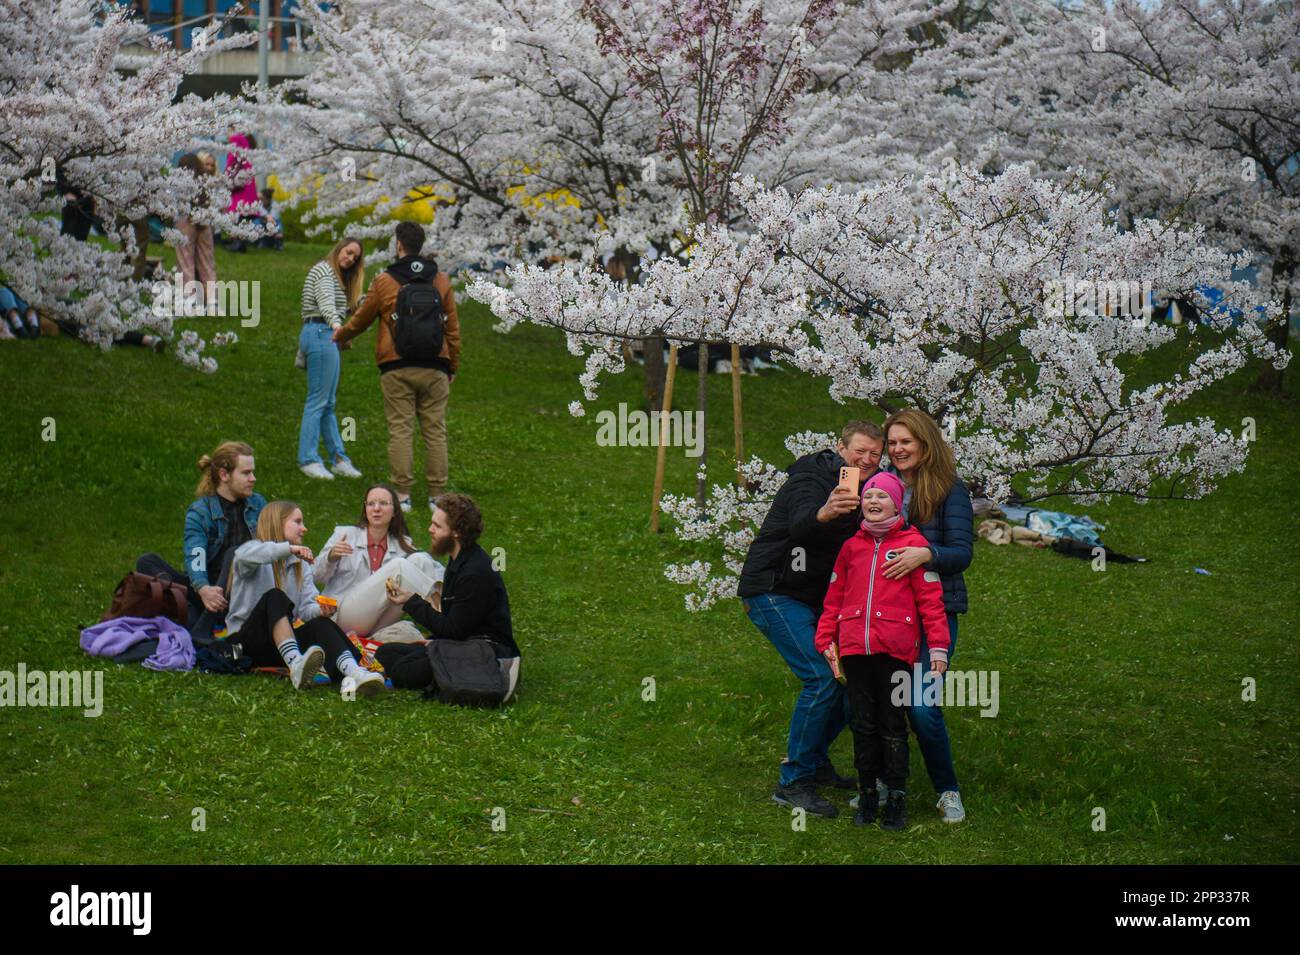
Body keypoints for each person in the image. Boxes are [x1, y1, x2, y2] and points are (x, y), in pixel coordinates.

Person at [737, 421, 886, 818]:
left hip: (815, 599)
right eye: (860, 451)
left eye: (875, 453)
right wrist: (825, 512)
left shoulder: (870, 488)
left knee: (845, 680)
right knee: (821, 678)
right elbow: (800, 521)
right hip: (773, 591)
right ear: (841, 448)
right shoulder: (810, 477)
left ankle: (815, 762)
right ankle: (793, 782)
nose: (867, 460)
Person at [814, 472, 951, 831]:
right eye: (869, 495)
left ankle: (896, 796)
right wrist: (825, 638)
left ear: (896, 504)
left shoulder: (912, 544)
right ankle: (868, 794)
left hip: (896, 651)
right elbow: (834, 598)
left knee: (893, 725)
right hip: (857, 650)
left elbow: (931, 603)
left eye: (883, 496)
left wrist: (938, 646)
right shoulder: (851, 547)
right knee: (863, 724)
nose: (874, 501)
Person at [880, 408, 974, 824]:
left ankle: (946, 789)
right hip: (884, 612)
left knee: (921, 705)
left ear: (925, 442)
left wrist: (926, 554)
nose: (899, 449)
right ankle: (884, 783)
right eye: (893, 443)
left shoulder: (950, 489)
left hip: (934, 612)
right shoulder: (879, 485)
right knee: (880, 701)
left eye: (906, 441)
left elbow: (962, 553)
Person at [332, 221, 461, 513]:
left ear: (398, 245)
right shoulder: (440, 280)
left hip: (397, 365)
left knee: (401, 429)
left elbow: (363, 318)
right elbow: (452, 328)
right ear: (421, 245)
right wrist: (451, 364)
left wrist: (342, 334)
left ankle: (402, 495)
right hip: (435, 366)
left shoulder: (385, 280)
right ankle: (436, 495)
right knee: (435, 429)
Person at [225, 500, 385, 698]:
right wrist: (288, 549)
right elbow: (242, 555)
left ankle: (354, 673)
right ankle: (296, 665)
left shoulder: (300, 564)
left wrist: (321, 610)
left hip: (278, 648)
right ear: (277, 522)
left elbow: (307, 608)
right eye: (298, 522)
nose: (304, 528)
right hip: (245, 644)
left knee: (321, 624)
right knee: (275, 597)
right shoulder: (253, 553)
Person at [376, 494, 519, 703]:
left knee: (401, 672)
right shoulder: (458, 560)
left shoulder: (475, 573)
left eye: (437, 526)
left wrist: (411, 602)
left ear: (457, 533)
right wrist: (432, 642)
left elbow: (454, 629)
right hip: (461, 644)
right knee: (386, 652)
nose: (430, 530)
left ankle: (499, 671)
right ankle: (441, 664)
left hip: (485, 651)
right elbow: (457, 625)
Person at [134, 441, 266, 640]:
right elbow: (195, 553)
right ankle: (199, 617)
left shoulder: (258, 504)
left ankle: (202, 624)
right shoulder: (201, 511)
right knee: (147, 562)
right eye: (246, 473)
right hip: (205, 592)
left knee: (235, 553)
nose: (253, 478)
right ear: (224, 475)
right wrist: (204, 589)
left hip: (242, 593)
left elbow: (271, 548)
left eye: (252, 472)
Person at [314, 483, 445, 637]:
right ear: (365, 509)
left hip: (380, 622)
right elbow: (315, 575)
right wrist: (331, 557)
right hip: (342, 616)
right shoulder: (345, 534)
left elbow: (433, 569)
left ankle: (445, 621)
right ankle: (441, 621)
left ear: (395, 510)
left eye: (383, 503)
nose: (376, 508)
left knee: (420, 560)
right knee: (400, 565)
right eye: (371, 504)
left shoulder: (403, 543)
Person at [298, 237, 365, 481]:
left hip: (325, 335)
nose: (350, 259)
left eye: (355, 258)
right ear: (339, 248)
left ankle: (338, 458)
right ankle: (308, 458)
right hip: (321, 333)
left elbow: (344, 306)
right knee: (318, 401)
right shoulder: (324, 270)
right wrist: (338, 326)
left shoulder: (337, 277)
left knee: (327, 403)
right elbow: (326, 303)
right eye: (348, 253)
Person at [173, 153, 217, 311]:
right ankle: (212, 301)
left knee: (185, 260)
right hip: (204, 222)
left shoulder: (179, 182)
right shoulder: (206, 181)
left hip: (184, 221)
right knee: (207, 262)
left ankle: (189, 299)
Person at [222, 131, 259, 253]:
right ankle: (240, 242)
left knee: (237, 212)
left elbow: (231, 162)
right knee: (244, 215)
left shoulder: (235, 139)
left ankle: (238, 243)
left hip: (239, 186)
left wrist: (226, 176)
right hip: (247, 184)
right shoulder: (246, 143)